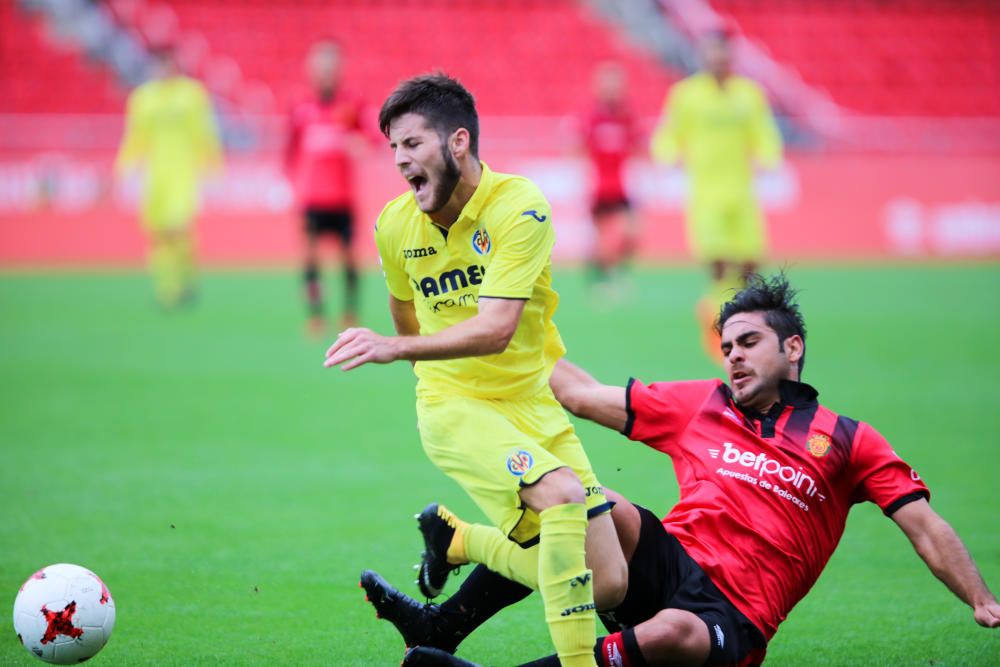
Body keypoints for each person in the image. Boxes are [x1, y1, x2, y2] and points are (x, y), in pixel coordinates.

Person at [361, 274, 1000, 667]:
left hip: (732, 615)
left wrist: (983, 601)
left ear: (793, 348)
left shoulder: (851, 442)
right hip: (669, 564)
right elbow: (583, 395)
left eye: (748, 343)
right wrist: (501, 335)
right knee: (581, 499)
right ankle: (445, 623)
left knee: (671, 634)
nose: (733, 358)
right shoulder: (704, 403)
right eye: (726, 348)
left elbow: (924, 527)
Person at [324, 74, 628, 666]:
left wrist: (394, 348)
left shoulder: (520, 208)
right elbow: (404, 307)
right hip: (454, 408)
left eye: (411, 144)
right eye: (392, 148)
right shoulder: (394, 225)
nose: (399, 160)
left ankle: (461, 540)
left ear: (457, 142)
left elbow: (496, 331)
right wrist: (416, 360)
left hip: (533, 403)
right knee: (562, 494)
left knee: (609, 581)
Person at [650, 29, 782, 362]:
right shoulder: (687, 95)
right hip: (706, 193)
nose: (715, 58)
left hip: (741, 191)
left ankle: (737, 316)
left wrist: (769, 155)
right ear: (702, 56)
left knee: (751, 263)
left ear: (729, 55)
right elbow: (669, 133)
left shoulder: (748, 95)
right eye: (709, 52)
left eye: (720, 51)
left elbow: (763, 132)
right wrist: (666, 153)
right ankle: (717, 315)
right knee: (719, 261)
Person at [115, 42, 222, 309]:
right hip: (155, 175)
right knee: (158, 233)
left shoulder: (192, 95)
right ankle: (166, 288)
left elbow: (204, 131)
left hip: (183, 173)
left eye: (167, 63)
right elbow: (135, 137)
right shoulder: (142, 99)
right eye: (158, 64)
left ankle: (185, 280)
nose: (162, 69)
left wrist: (213, 162)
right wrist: (124, 166)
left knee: (178, 228)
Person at [285, 37, 366, 335]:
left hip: (342, 196)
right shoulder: (300, 106)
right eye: (320, 65)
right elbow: (290, 150)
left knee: (348, 257)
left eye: (331, 65)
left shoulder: (352, 103)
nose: (325, 71)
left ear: (339, 69)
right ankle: (316, 315)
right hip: (311, 196)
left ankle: (349, 313)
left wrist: (353, 142)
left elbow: (368, 139)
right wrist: (292, 184)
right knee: (309, 257)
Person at [579, 61, 641, 293]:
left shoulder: (627, 117)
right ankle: (599, 280)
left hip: (622, 186)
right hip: (599, 187)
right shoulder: (592, 118)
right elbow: (579, 146)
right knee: (600, 239)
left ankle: (617, 273)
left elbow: (638, 144)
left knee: (630, 233)